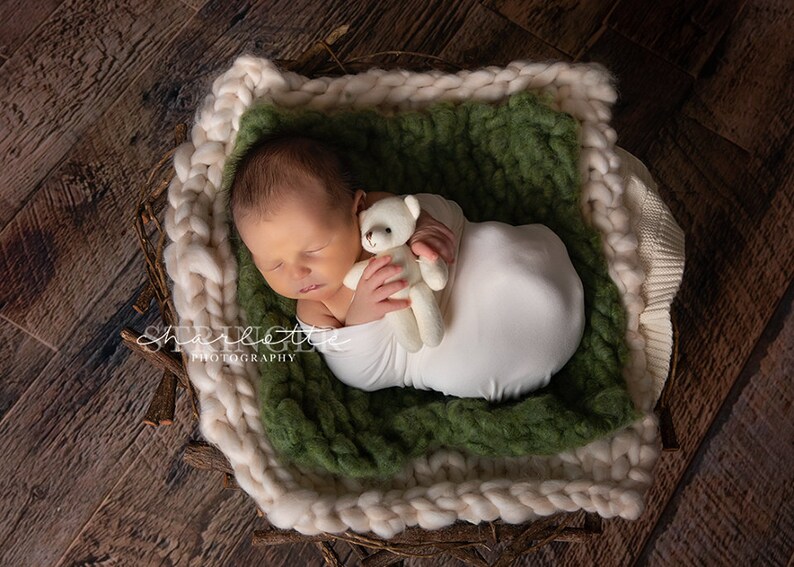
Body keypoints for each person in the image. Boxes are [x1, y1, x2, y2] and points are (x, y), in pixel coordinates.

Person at [230, 134, 585, 401]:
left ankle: (544, 295)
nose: (296, 272)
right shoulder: (316, 308)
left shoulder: (377, 213)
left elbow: (429, 211)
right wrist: (361, 314)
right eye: (272, 263)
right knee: (457, 365)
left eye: (314, 249)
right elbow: (359, 374)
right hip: (461, 344)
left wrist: (426, 228)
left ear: (356, 208)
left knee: (497, 252)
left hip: (492, 266)